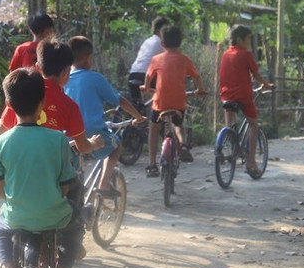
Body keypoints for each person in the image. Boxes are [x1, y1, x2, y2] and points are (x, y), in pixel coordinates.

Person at [0, 68, 82, 268]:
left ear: (9, 104)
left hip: (17, 216)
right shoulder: (58, 140)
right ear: (42, 103)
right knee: (77, 222)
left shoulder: (0, 143)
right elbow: (65, 187)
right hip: (54, 215)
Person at [0, 40, 103, 161]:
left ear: (37, 67)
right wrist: (94, 143)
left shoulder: (22, 94)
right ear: (66, 71)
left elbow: (0, 132)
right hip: (51, 171)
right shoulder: (69, 105)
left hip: (18, 169)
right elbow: (83, 147)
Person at [65, 36, 147, 193]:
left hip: (68, 134)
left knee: (71, 164)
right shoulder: (96, 78)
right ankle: (103, 183)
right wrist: (138, 117)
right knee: (115, 148)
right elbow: (119, 101)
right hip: (93, 131)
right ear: (89, 58)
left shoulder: (64, 79)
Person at [141, 25, 206, 177]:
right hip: (178, 102)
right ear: (180, 43)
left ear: (162, 44)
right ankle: (183, 145)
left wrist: (146, 87)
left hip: (160, 102)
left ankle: (152, 164)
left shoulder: (156, 59)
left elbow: (148, 78)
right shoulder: (185, 60)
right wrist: (200, 89)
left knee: (154, 128)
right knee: (178, 124)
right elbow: (197, 77)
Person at [219, 25, 274, 177]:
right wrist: (266, 84)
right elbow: (256, 74)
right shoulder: (246, 54)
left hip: (226, 95)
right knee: (253, 124)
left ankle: (229, 137)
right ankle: (251, 161)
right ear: (240, 40)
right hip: (243, 96)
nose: (250, 42)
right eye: (248, 39)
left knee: (230, 120)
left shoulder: (225, 55)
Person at [128, 16, 170, 105]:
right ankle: (157, 115)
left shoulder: (147, 41)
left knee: (137, 106)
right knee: (167, 92)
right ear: (159, 31)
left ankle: (138, 116)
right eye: (166, 31)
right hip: (145, 76)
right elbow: (169, 62)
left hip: (133, 74)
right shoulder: (161, 43)